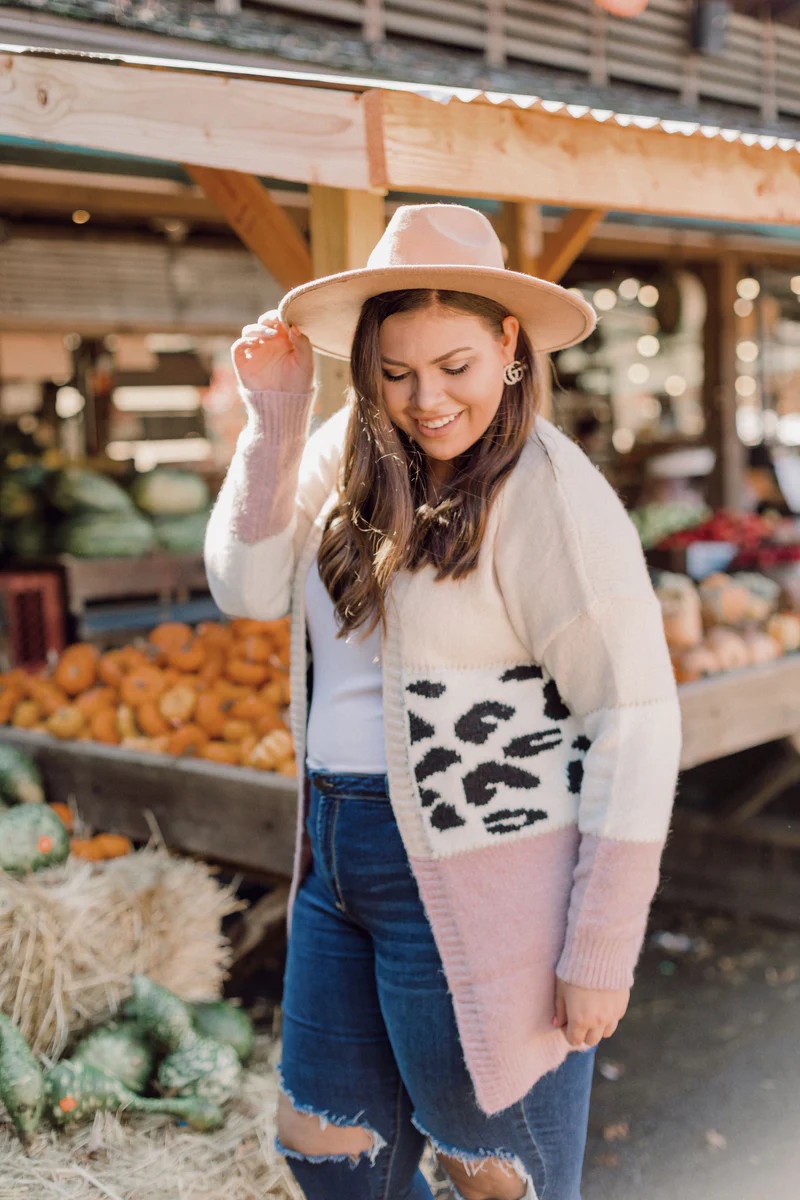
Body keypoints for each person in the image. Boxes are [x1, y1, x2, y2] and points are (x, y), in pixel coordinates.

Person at [204, 203, 682, 1200]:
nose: (426, 400)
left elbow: (634, 718)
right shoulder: (344, 452)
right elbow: (244, 590)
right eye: (397, 370)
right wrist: (276, 422)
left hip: (480, 875)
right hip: (335, 860)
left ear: (508, 347)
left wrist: (598, 947)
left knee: (494, 1179)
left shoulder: (549, 492)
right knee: (326, 1157)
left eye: (454, 366)